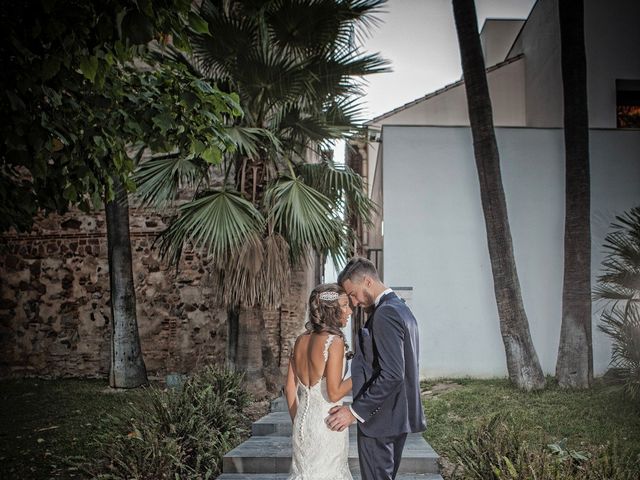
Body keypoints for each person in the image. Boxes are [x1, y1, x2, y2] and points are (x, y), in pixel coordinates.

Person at [326, 257, 426, 480]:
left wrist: (353, 412)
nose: (353, 302)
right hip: (396, 417)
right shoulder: (401, 308)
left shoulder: (385, 314)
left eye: (353, 294)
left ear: (368, 281)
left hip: (381, 420)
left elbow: (392, 374)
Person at [285, 283, 354, 480]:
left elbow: (290, 389)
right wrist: (360, 376)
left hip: (302, 425)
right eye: (344, 305)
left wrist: (299, 422)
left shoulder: (300, 340)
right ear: (330, 309)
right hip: (327, 425)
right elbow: (334, 393)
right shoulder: (334, 341)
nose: (349, 310)